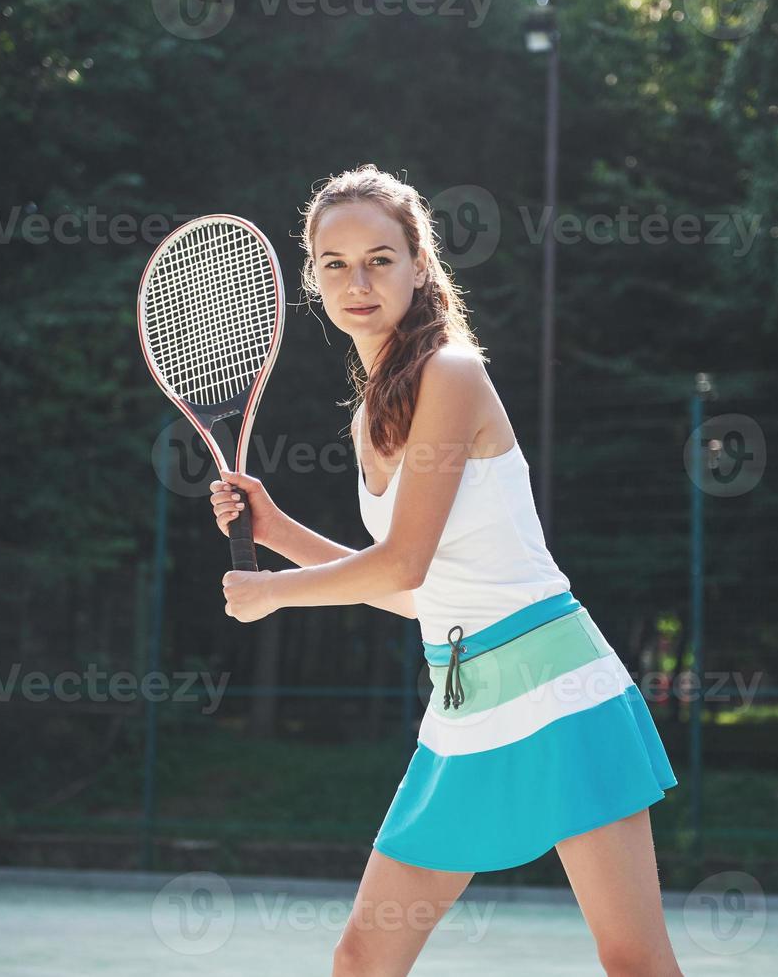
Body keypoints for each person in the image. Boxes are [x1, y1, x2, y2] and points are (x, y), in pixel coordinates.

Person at [209, 164, 682, 977]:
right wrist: (277, 531)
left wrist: (270, 596)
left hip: (555, 685)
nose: (357, 281)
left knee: (632, 961)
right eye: (334, 263)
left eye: (380, 259)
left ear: (419, 264)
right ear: (311, 277)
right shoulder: (368, 416)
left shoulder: (452, 374)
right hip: (461, 705)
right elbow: (412, 595)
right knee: (363, 959)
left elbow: (404, 560)